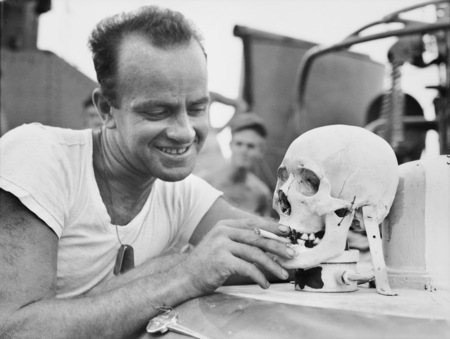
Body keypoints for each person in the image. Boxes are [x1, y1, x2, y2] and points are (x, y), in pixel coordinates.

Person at [0, 6, 295, 338]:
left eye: (198, 107)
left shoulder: (184, 194)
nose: (185, 132)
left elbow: (283, 253)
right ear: (106, 109)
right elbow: (15, 329)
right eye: (158, 111)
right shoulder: (39, 156)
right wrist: (183, 272)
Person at [202, 112, 273, 216]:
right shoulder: (207, 183)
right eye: (239, 144)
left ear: (261, 151)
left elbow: (264, 230)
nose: (243, 151)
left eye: (250, 146)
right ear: (230, 145)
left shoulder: (261, 194)